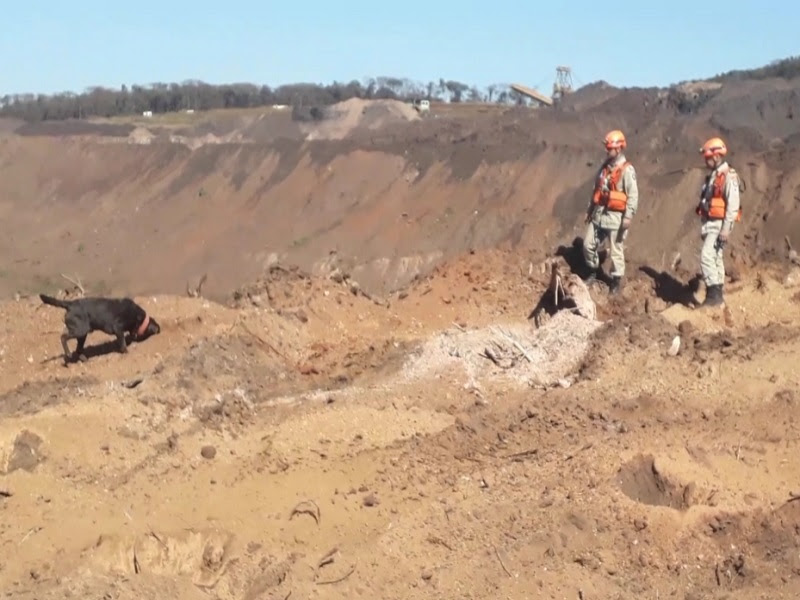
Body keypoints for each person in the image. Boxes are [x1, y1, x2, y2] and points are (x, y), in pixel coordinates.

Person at [582, 129, 639, 295]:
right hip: (600, 214)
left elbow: (633, 195)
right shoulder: (604, 168)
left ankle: (615, 282)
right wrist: (590, 210)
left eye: (610, 148)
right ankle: (592, 270)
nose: (607, 151)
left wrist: (628, 216)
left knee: (616, 251)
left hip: (616, 217)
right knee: (588, 244)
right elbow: (597, 190)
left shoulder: (627, 170)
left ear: (619, 149)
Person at [695, 136, 742, 307]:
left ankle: (713, 294)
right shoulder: (714, 176)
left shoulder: (729, 176)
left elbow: (733, 204)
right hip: (711, 223)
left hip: (720, 225)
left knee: (707, 256)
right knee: (715, 258)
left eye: (707, 158)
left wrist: (726, 229)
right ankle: (718, 296)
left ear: (715, 157)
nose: (706, 162)